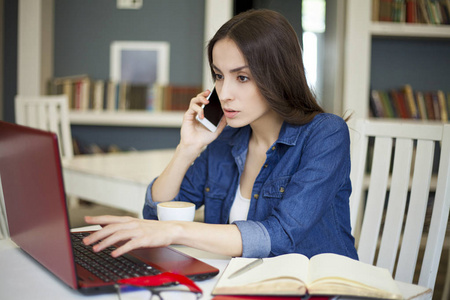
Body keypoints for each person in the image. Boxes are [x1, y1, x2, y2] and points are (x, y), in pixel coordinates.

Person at [84, 9, 358, 260]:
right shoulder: (227, 139)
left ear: (278, 76)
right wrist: (187, 149)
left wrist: (177, 231)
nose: (224, 94)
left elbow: (280, 236)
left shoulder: (326, 134)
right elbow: (156, 216)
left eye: (242, 77)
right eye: (218, 75)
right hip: (240, 284)